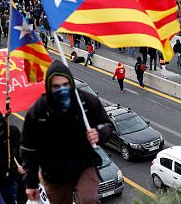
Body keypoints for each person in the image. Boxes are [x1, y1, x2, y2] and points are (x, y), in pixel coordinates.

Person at [20, 60, 112, 204]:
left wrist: (99, 134)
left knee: (88, 200)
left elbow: (107, 125)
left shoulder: (86, 102)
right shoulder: (38, 112)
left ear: (71, 83)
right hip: (54, 172)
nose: (62, 89)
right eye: (56, 86)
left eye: (65, 85)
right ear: (49, 87)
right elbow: (28, 150)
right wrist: (30, 183)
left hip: (84, 165)